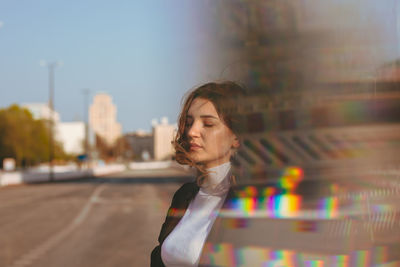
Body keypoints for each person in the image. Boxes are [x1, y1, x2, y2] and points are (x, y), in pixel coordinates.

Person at [151, 81, 246, 267]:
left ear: (236, 136)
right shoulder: (184, 195)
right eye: (188, 123)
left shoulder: (250, 201)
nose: (192, 131)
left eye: (208, 124)